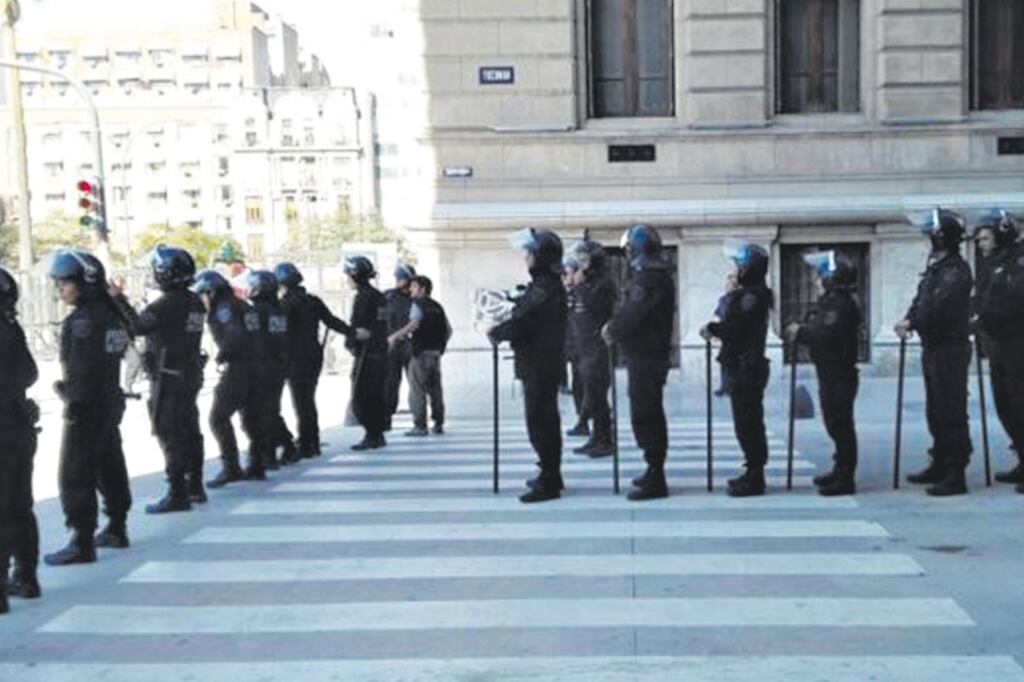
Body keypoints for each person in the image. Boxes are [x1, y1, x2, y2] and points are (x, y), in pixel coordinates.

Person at [45, 250, 133, 566]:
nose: (61, 291)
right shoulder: (111, 313)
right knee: (109, 464)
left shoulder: (81, 322)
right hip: (110, 401)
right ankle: (117, 526)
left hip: (86, 407)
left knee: (75, 474)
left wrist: (69, 397)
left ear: (84, 283)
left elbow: (81, 369)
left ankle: (81, 540)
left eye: (65, 284)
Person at [111, 245, 207, 512]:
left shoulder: (166, 304)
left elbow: (137, 326)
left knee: (169, 432)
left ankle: (177, 492)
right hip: (189, 372)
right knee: (190, 428)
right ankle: (195, 485)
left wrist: (120, 300)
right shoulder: (195, 301)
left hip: (168, 377)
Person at [895, 208, 974, 496]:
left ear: (941, 237)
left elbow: (941, 308)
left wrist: (912, 322)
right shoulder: (937, 269)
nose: (928, 238)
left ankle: (956, 471)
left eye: (932, 233)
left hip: (950, 348)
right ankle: (940, 460)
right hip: (934, 346)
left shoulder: (955, 270)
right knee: (936, 409)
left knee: (951, 409)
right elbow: (922, 299)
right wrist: (909, 317)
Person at [489, 228, 568, 503]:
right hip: (539, 362)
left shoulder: (545, 288)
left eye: (530, 253)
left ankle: (549, 480)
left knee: (541, 421)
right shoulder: (545, 285)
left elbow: (525, 321)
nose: (526, 258)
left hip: (540, 363)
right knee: (543, 419)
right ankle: (550, 473)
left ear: (541, 256)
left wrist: (497, 332)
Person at [603, 225, 675, 500]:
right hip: (646, 355)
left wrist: (613, 328)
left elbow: (634, 312)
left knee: (646, 414)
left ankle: (656, 475)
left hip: (647, 356)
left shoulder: (649, 278)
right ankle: (652, 468)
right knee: (646, 412)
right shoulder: (653, 275)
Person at [786, 251, 863, 496]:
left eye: (821, 277)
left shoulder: (841, 304)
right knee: (833, 422)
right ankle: (839, 468)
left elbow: (826, 336)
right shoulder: (830, 302)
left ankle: (845, 477)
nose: (816, 281)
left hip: (839, 372)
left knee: (840, 423)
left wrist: (802, 332)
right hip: (829, 371)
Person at [701, 240, 774, 497]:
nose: (736, 271)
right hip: (742, 366)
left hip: (747, 367)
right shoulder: (749, 294)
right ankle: (752, 470)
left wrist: (713, 329)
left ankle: (755, 476)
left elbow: (737, 329)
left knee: (749, 423)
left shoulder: (751, 297)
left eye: (739, 267)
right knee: (745, 423)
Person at [191, 270, 265, 487]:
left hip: (238, 368)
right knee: (251, 417)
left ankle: (231, 466)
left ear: (212, 292)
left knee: (218, 418)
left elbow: (235, 335)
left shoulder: (224, 308)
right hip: (256, 366)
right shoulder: (243, 305)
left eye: (203, 294)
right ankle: (257, 464)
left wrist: (222, 356)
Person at [276, 262, 352, 459]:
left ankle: (306, 443)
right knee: (308, 400)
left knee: (301, 402)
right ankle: (313, 441)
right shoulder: (313, 301)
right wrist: (352, 332)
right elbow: (332, 321)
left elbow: (279, 334)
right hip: (314, 356)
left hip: (295, 359)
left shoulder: (285, 304)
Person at [972, 209, 1024, 492]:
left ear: (1001, 235)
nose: (980, 243)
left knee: (1020, 404)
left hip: (1018, 344)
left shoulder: (1018, 262)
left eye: (985, 238)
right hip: (999, 344)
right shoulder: (993, 263)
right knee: (1005, 405)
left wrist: (985, 318)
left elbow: (1014, 301)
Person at [0, 267, 42, 610]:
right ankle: (26, 575)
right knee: (20, 505)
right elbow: (30, 372)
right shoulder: (11, 328)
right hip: (18, 426)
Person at [567, 236, 617, 458]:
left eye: (584, 261)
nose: (581, 265)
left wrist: (579, 286)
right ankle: (596, 436)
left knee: (598, 396)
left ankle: (604, 439)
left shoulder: (602, 284)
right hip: (584, 347)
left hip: (597, 348)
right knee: (593, 395)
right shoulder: (587, 283)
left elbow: (593, 308)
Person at [388, 275, 451, 436]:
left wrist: (395, 336)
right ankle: (438, 423)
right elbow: (448, 330)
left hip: (421, 352)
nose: (410, 290)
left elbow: (414, 324)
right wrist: (440, 345)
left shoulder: (417, 304)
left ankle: (420, 426)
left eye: (414, 287)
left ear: (422, 289)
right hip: (435, 353)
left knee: (417, 390)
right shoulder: (438, 306)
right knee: (435, 390)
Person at [247, 270, 295, 468]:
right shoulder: (278, 309)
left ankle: (270, 454)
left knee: (262, 412)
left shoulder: (257, 312)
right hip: (278, 365)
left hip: (262, 366)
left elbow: (253, 339)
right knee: (271, 409)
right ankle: (285, 445)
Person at [343, 256, 389, 451]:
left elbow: (359, 327)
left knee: (362, 397)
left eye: (348, 275)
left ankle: (372, 434)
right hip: (380, 351)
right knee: (375, 395)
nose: (347, 279)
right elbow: (383, 324)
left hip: (367, 354)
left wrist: (351, 341)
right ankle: (376, 434)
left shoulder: (363, 297)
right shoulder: (379, 296)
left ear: (355, 275)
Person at [384, 263, 416, 431]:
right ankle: (386, 418)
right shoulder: (387, 297)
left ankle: (419, 420)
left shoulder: (415, 298)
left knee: (415, 384)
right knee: (390, 384)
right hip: (393, 346)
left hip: (408, 345)